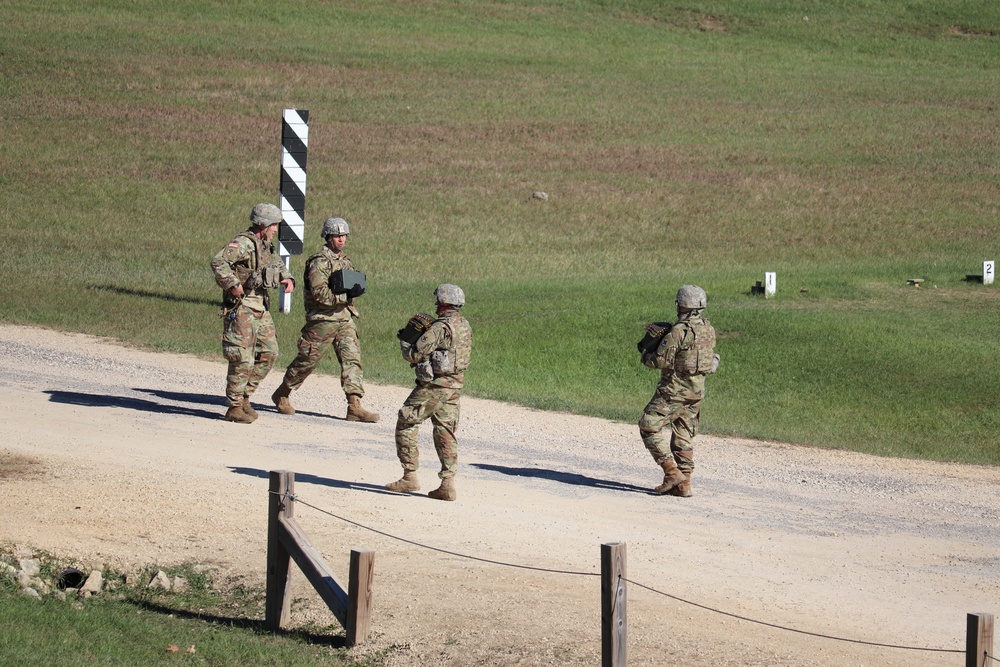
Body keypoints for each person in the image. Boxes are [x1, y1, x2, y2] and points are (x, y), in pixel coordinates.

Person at [270, 217, 379, 422]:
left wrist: (355, 292)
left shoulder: (345, 261)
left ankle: (354, 406)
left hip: (344, 318)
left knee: (352, 359)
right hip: (322, 320)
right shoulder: (318, 261)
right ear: (328, 237)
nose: (341, 239)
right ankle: (282, 393)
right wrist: (346, 296)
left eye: (344, 235)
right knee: (307, 360)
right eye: (337, 236)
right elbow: (320, 294)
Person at [386, 284, 472, 501]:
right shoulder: (464, 325)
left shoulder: (440, 328)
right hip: (454, 386)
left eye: (438, 301)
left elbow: (414, 355)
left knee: (406, 420)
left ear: (443, 303)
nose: (435, 304)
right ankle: (447, 484)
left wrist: (406, 341)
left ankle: (409, 475)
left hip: (435, 387)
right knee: (445, 432)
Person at [210, 203, 295, 423]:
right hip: (242, 307)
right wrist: (232, 284)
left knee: (269, 352)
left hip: (260, 307)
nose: (276, 229)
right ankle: (234, 406)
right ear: (263, 224)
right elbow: (219, 261)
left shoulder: (266, 246)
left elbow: (277, 265)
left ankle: (245, 396)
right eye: (274, 225)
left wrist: (287, 278)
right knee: (241, 357)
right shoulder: (244, 243)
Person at [638, 285, 719, 496]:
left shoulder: (678, 331)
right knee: (683, 435)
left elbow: (660, 361)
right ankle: (685, 485)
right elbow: (711, 360)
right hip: (696, 393)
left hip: (673, 392)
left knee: (648, 425)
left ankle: (671, 472)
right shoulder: (708, 329)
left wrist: (646, 353)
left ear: (681, 305)